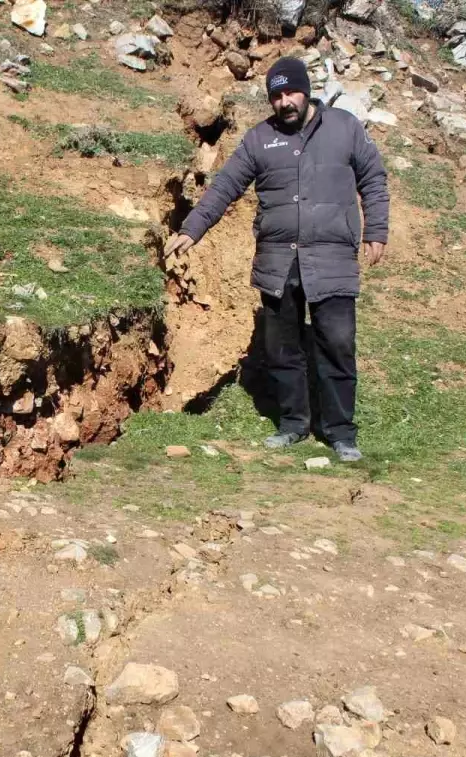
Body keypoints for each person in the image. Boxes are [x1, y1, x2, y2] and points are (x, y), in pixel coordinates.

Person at [164, 56, 389, 462]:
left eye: (291, 92)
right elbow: (225, 186)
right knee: (282, 347)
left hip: (332, 259)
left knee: (336, 343)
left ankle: (340, 432)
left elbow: (373, 179)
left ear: (307, 90)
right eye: (277, 95)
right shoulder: (258, 139)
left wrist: (376, 231)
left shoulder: (344, 128)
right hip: (277, 262)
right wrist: (191, 229)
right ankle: (293, 424)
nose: (285, 102)